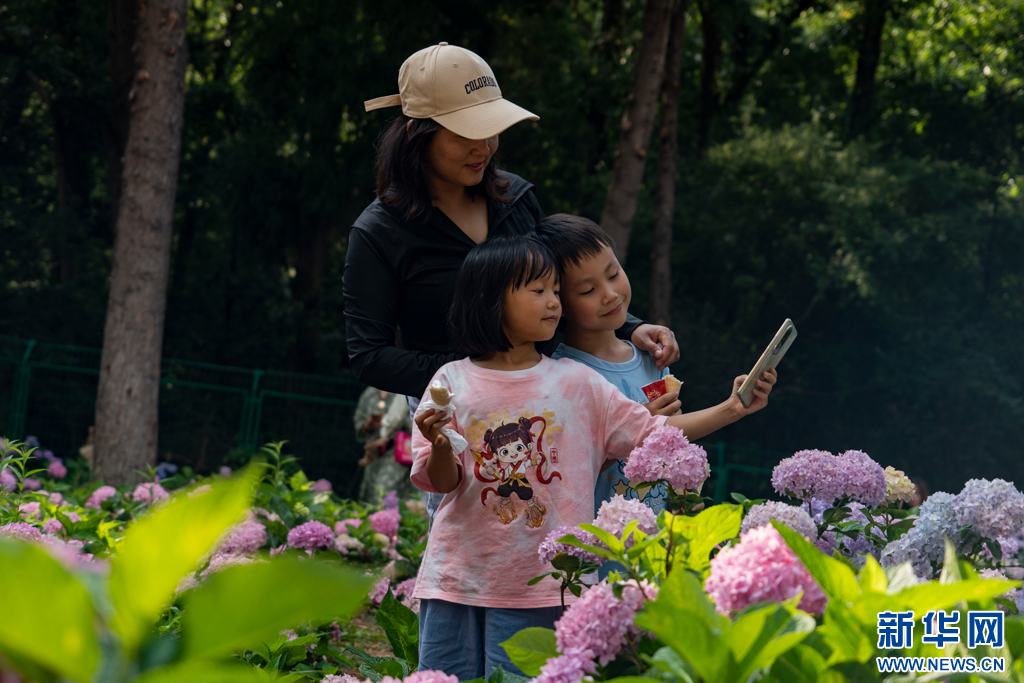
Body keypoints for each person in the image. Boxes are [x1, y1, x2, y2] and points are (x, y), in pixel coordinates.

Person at [409, 235, 776, 679]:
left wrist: (732, 408)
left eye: (556, 291)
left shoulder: (577, 382)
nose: (554, 302)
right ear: (490, 299)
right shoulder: (450, 380)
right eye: (539, 290)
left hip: (548, 585)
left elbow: (653, 433)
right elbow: (442, 482)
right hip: (454, 581)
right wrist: (441, 445)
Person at [346, 41, 680, 522]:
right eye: (466, 134)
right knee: (477, 539)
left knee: (562, 535)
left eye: (492, 131)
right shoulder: (378, 233)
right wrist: (473, 375)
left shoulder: (516, 199)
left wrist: (630, 326)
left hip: (548, 405)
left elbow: (564, 285)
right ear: (419, 134)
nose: (483, 148)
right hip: (461, 418)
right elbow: (369, 355)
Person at [353, 386, 417, 502]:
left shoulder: (403, 392)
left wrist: (391, 421)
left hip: (397, 454)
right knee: (369, 495)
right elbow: (359, 424)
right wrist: (368, 425)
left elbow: (416, 422)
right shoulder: (369, 393)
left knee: (385, 494)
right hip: (374, 454)